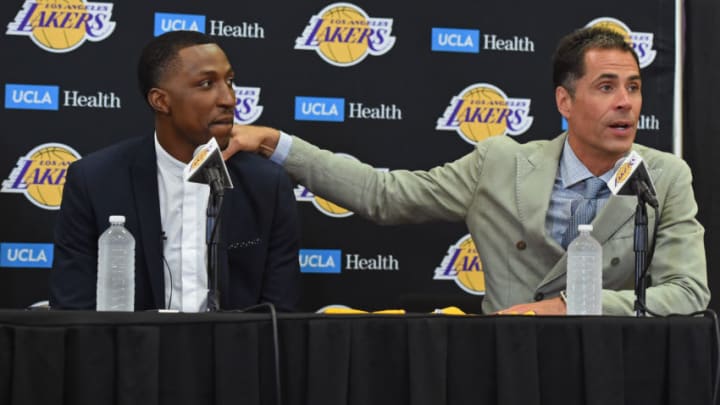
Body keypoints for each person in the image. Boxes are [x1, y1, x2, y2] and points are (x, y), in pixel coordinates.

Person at [223, 27, 709, 315]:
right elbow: (384, 195)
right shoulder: (500, 163)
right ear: (565, 100)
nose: (626, 102)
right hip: (509, 368)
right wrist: (272, 142)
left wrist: (567, 307)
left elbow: (687, 292)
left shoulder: (664, 176)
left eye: (634, 86)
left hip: (614, 372)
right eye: (606, 86)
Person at [50, 31, 301, 312]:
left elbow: (280, 315)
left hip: (236, 354)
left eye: (229, 81)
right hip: (130, 353)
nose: (229, 99)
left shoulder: (266, 184)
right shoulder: (94, 181)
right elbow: (73, 312)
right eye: (206, 84)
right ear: (160, 100)